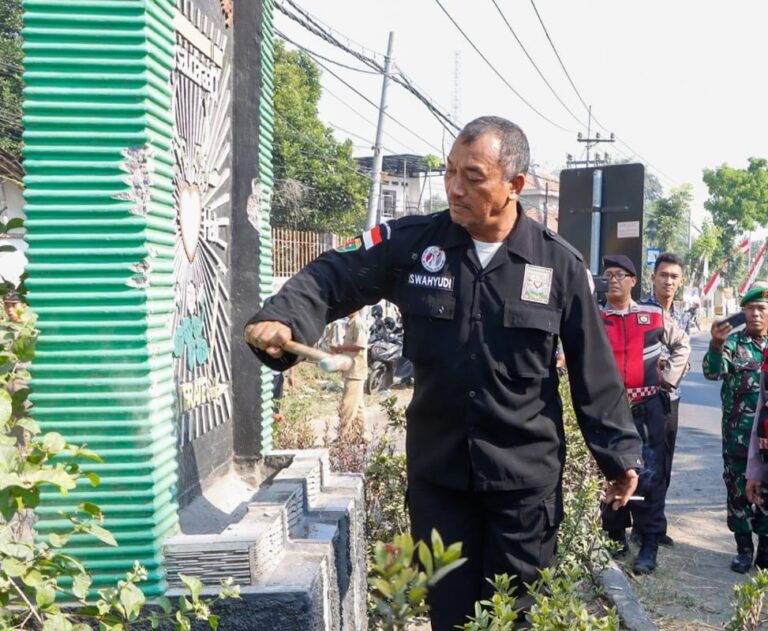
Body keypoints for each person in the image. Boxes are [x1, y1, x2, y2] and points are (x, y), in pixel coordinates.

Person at [244, 116, 642, 630]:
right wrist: (284, 317)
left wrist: (619, 456)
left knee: (516, 620)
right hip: (441, 481)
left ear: (515, 185)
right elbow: (334, 273)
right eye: (450, 171)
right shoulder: (412, 245)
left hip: (524, 490)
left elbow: (595, 372)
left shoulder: (558, 265)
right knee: (450, 618)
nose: (454, 187)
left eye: (472, 177)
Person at [600, 254, 690, 575]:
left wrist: (669, 379)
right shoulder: (597, 318)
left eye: (621, 275)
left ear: (634, 281)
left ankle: (649, 544)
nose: (614, 280)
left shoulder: (652, 315)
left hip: (649, 408)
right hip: (611, 410)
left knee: (650, 474)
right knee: (611, 471)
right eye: (608, 274)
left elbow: (682, 345)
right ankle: (614, 537)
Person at [707, 283, 768, 572]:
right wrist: (717, 345)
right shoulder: (734, 344)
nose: (756, 314)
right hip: (738, 438)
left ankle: (765, 549)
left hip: (766, 441)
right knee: (737, 493)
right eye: (750, 309)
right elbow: (712, 371)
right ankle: (744, 549)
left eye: (762, 309)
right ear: (742, 312)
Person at [643, 251, 691, 546]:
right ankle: (643, 525)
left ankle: (656, 524)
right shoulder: (641, 309)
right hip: (644, 397)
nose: (668, 281)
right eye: (663, 275)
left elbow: (683, 357)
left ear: (681, 281)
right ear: (653, 278)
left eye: (674, 276)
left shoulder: (683, 314)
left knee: (665, 461)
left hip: (671, 397)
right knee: (646, 459)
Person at [331, 309, 368, 444]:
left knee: (348, 405)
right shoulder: (350, 324)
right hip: (351, 369)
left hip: (356, 370)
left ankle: (343, 436)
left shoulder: (358, 324)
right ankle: (362, 435)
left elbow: (360, 346)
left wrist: (341, 349)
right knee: (357, 406)